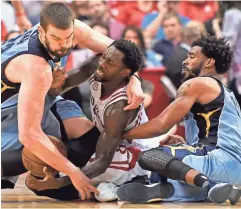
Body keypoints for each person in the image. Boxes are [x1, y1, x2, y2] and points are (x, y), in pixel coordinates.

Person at [1, 2, 143, 200]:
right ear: (41, 31)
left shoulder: (71, 29)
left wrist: (134, 79)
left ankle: (109, 177)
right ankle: (69, 181)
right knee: (37, 160)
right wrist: (73, 173)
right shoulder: (35, 67)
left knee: (93, 137)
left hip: (44, 99)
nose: (65, 44)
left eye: (68, 38)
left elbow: (122, 52)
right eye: (57, 39)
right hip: (7, 118)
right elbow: (29, 134)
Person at [24, 39, 163, 202]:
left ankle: (126, 185)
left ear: (125, 72)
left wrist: (59, 182)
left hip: (130, 154)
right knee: (47, 178)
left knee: (57, 188)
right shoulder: (98, 65)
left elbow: (103, 160)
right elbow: (62, 86)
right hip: (106, 142)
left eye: (109, 62)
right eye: (103, 57)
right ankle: (105, 187)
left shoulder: (119, 107)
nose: (101, 63)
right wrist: (53, 84)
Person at [116, 35, 241, 204]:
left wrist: (119, 133)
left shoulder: (198, 83)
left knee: (151, 156)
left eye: (191, 56)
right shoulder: (226, 93)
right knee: (165, 164)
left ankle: (207, 184)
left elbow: (160, 125)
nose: (184, 61)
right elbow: (214, 132)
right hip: (233, 168)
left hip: (216, 159)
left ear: (209, 62)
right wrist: (185, 144)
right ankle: (169, 189)